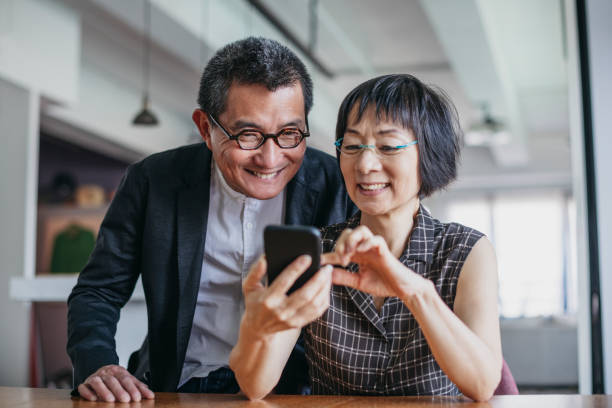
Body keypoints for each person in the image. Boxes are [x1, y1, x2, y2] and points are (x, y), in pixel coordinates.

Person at [67, 37, 356, 403]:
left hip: (292, 391)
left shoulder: (336, 184)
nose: (270, 159)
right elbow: (99, 290)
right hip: (175, 385)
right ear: (206, 128)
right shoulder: (153, 181)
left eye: (289, 134)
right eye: (248, 135)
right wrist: (96, 363)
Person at [229, 74, 503, 401]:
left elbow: (483, 384)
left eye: (387, 146)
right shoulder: (319, 252)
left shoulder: (466, 250)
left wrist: (415, 292)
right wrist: (256, 329)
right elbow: (255, 386)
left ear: (429, 154)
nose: (365, 163)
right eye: (353, 145)